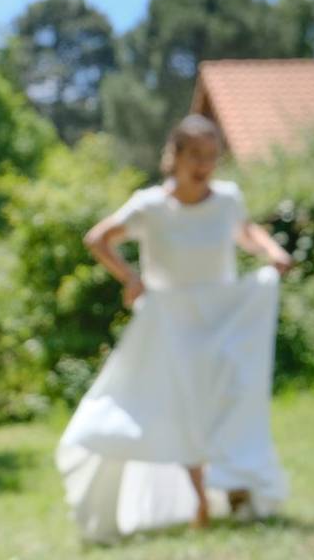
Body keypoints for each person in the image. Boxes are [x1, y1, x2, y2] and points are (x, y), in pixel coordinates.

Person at [55, 114, 293, 543]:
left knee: (232, 395)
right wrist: (130, 278)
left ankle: (237, 484)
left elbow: (247, 232)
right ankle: (200, 497)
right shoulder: (150, 206)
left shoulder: (227, 199)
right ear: (176, 155)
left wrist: (273, 252)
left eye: (211, 156)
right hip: (171, 324)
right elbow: (98, 239)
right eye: (196, 155)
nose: (204, 165)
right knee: (184, 409)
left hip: (224, 317)